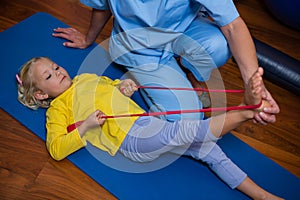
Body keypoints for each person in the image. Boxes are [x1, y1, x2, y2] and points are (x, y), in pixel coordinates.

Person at [16, 57, 282, 199]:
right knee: (187, 131)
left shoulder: (85, 77)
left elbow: (113, 89)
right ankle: (245, 111)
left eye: (55, 66)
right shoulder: (57, 110)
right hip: (130, 139)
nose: (58, 71)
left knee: (209, 150)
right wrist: (85, 127)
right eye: (49, 76)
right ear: (40, 95)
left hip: (146, 122)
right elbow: (55, 149)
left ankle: (261, 195)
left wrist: (124, 88)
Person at [52, 0, 280, 124]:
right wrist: (88, 38)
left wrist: (255, 84)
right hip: (139, 47)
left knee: (219, 45)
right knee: (190, 117)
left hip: (183, 31)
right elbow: (102, 6)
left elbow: (232, 26)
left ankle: (186, 70)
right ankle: (159, 77)